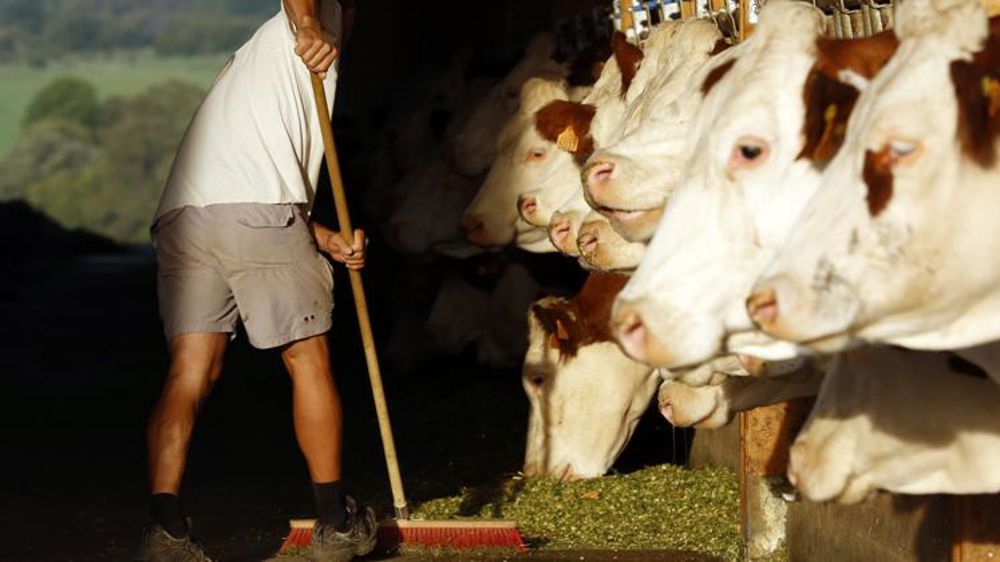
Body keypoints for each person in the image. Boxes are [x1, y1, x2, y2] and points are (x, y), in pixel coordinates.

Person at [142, 1, 373, 561]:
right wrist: (311, 24)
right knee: (306, 356)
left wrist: (321, 237)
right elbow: (259, 201)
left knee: (191, 372)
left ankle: (166, 530)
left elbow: (246, 183)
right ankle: (335, 522)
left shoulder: (255, 60)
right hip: (259, 210)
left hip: (188, 215)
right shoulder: (307, 24)